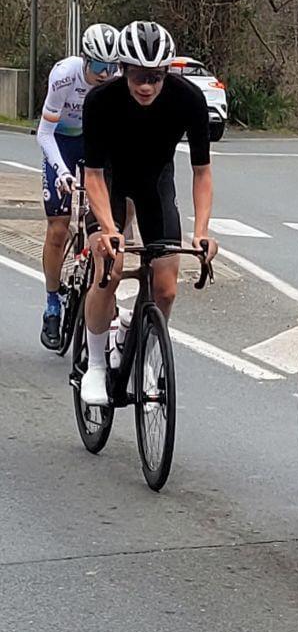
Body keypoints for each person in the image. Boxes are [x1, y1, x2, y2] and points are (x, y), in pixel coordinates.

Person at [77, 21, 219, 407]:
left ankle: (139, 344)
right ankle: (95, 365)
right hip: (109, 179)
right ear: (123, 69)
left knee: (167, 287)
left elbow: (202, 172)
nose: (146, 86)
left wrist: (202, 230)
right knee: (112, 265)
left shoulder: (188, 99)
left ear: (167, 73)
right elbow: (91, 175)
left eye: (155, 78)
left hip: (155, 181)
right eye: (138, 76)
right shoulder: (101, 101)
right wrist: (107, 228)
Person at [36, 23, 120, 350]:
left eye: (112, 67)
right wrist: (60, 171)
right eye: (99, 66)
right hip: (61, 143)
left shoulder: (113, 82)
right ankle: (52, 304)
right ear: (85, 60)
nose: (105, 74)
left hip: (94, 143)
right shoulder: (65, 75)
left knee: (103, 221)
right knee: (58, 229)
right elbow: (44, 133)